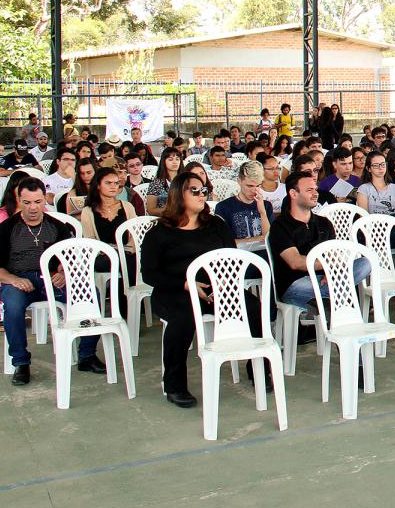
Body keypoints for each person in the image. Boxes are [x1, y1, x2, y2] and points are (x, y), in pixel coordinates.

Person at [140, 171, 266, 408]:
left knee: (254, 308)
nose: (201, 195)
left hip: (216, 289)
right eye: (194, 191)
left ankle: (259, 369)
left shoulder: (216, 225)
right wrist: (186, 283)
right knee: (183, 319)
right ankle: (174, 384)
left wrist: (223, 285)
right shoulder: (160, 232)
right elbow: (150, 274)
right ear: (179, 194)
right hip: (175, 290)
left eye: (204, 191)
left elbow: (231, 258)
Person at [0, 177, 103, 386]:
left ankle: (87, 355)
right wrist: (14, 279)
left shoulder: (57, 226)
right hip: (19, 280)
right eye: (27, 202)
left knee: (90, 294)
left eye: (38, 202)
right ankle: (21, 362)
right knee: (13, 308)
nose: (33, 208)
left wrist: (63, 271)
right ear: (19, 200)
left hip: (51, 279)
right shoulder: (6, 229)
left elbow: (68, 258)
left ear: (44, 200)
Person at [268, 171, 370, 327]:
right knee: (343, 288)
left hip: (326, 279)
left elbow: (334, 254)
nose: (315, 193)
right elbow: (296, 262)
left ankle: (325, 301)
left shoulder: (323, 222)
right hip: (296, 282)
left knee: (365, 263)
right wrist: (329, 267)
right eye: (309, 190)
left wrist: (333, 270)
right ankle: (337, 307)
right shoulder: (280, 226)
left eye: (315, 189)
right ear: (293, 194)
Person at [81, 166, 138, 314]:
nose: (114, 186)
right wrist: (109, 251)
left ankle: (124, 311)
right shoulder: (88, 211)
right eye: (109, 183)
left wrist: (125, 250)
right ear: (98, 185)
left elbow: (134, 236)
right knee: (122, 263)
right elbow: (90, 240)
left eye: (116, 183)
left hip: (125, 252)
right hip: (101, 255)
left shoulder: (127, 207)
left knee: (127, 262)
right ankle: (125, 311)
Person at [214, 160, 273, 249]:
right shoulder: (223, 207)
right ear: (239, 181)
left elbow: (270, 239)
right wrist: (257, 239)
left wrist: (262, 213)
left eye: (258, 186)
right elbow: (223, 242)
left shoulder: (266, 205)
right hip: (237, 257)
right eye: (249, 186)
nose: (254, 190)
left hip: (264, 256)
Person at [145, 146, 184, 216]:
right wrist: (170, 210)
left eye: (177, 159)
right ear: (164, 162)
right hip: (164, 219)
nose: (175, 162)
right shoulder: (156, 183)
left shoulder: (185, 181)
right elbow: (151, 210)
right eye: (170, 159)